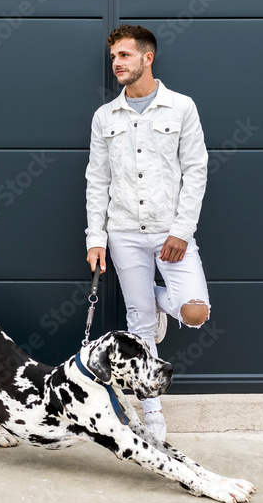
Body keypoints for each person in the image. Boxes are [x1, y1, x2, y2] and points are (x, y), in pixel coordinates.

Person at [85, 24, 211, 441]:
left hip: (169, 233)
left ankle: (158, 305)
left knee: (194, 313)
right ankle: (153, 415)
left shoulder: (181, 107)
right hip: (122, 234)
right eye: (114, 57)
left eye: (124, 55)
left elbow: (196, 170)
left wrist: (181, 230)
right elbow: (96, 180)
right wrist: (96, 238)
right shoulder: (105, 116)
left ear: (147, 57)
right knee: (139, 328)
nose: (117, 64)